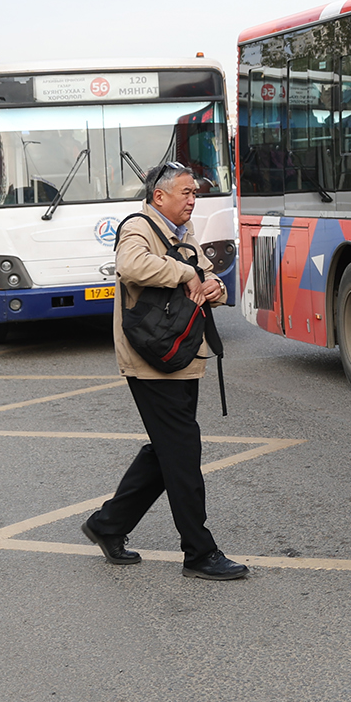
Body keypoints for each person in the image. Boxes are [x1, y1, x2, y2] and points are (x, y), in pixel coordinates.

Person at [81, 161, 247, 581]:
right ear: (160, 196)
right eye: (186, 192)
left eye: (195, 193)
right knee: (182, 452)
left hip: (181, 355)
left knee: (165, 449)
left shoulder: (182, 234)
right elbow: (132, 266)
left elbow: (208, 279)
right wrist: (188, 272)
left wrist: (216, 288)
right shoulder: (138, 227)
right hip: (151, 359)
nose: (193, 199)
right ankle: (199, 552)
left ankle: (108, 525)